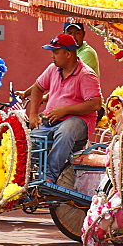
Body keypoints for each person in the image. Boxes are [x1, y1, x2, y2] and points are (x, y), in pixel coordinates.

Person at [27, 33, 102, 184]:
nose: (52, 56)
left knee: (65, 131)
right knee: (30, 140)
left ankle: (50, 176)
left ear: (68, 54)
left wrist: (66, 110)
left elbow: (95, 104)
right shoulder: (52, 69)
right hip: (51, 119)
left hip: (78, 122)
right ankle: (28, 175)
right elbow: (37, 88)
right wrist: (33, 114)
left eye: (55, 52)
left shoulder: (86, 75)